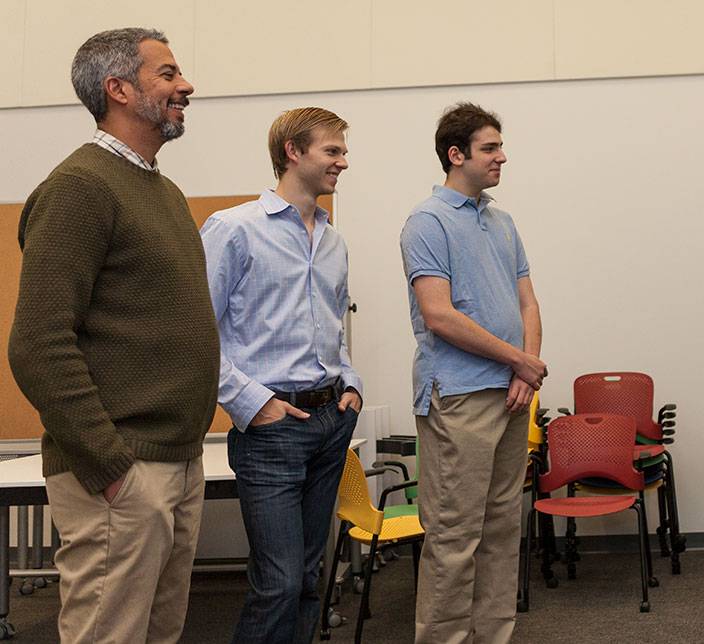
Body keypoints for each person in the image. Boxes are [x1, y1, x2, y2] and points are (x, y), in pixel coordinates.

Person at [8, 27, 217, 643]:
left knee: (156, 633)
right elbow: (38, 343)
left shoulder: (164, 192)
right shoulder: (80, 188)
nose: (186, 86)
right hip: (123, 471)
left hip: (175, 463)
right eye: (168, 74)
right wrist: (109, 461)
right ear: (119, 89)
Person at [199, 107, 363, 643]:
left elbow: (332, 329)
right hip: (272, 429)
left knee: (311, 580)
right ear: (293, 152)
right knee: (278, 583)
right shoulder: (234, 229)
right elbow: (198, 332)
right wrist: (252, 403)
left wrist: (351, 384)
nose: (343, 161)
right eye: (332, 151)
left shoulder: (333, 241)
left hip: (330, 421)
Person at [399, 102, 546, 644]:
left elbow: (527, 304)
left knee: (503, 531)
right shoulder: (427, 222)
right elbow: (439, 316)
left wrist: (525, 373)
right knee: (455, 537)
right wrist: (518, 361)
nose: (501, 156)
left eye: (499, 146)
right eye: (489, 148)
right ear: (455, 155)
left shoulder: (502, 222)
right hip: (458, 398)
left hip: (511, 395)